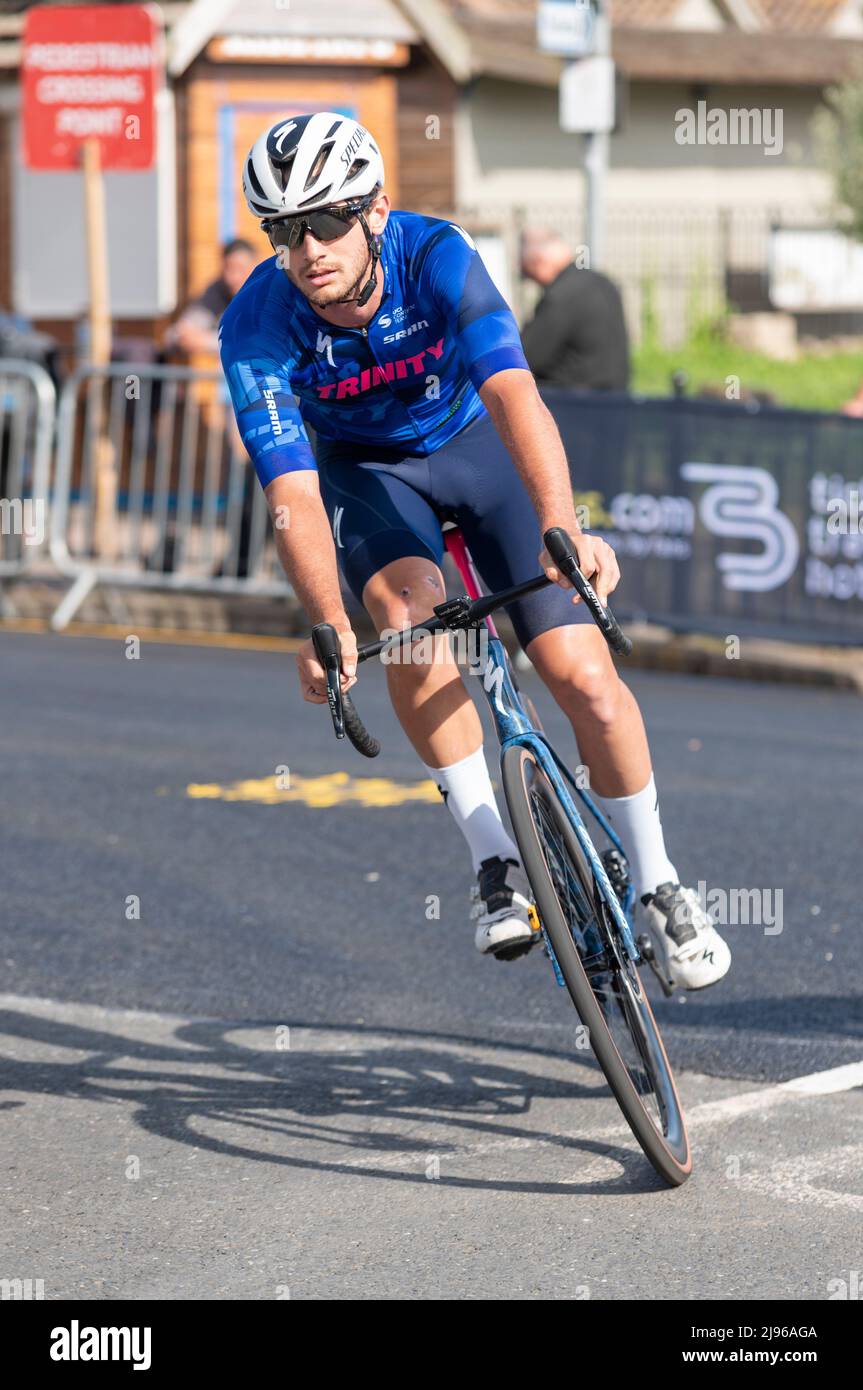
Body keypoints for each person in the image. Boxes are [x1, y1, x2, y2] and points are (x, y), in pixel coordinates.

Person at [219, 112, 730, 988]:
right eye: (282, 231)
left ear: (376, 209)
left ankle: (660, 883)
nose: (306, 250)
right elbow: (292, 492)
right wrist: (327, 623)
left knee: (584, 680)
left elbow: (513, 393)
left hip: (474, 444)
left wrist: (560, 527)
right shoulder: (256, 325)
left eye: (325, 222)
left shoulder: (437, 256)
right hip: (367, 472)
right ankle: (493, 857)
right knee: (405, 616)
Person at [520, 228, 630, 391]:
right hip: (616, 397)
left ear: (538, 262)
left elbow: (526, 357)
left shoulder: (561, 296)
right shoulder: (604, 283)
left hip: (573, 403)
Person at [165, 239, 258, 356]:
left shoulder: (269, 294)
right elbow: (173, 335)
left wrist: (206, 341)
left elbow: (256, 342)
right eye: (227, 268)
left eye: (239, 268)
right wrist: (182, 336)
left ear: (256, 267)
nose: (231, 278)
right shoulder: (217, 291)